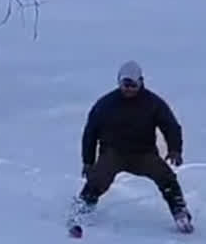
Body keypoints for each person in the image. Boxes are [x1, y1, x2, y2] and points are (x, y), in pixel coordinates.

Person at [75, 60, 192, 228]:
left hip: (143, 153)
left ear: (141, 82)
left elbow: (170, 126)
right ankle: (82, 209)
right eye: (125, 85)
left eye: (133, 85)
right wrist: (88, 161)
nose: (129, 89)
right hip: (113, 153)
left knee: (166, 177)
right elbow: (90, 133)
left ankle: (180, 211)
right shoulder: (105, 104)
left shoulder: (153, 103)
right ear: (119, 82)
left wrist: (175, 149)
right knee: (98, 179)